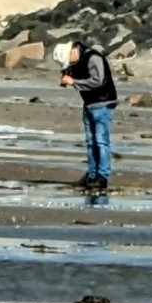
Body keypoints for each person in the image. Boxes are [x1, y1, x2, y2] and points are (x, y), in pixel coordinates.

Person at [62, 36, 119, 192]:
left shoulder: (93, 58)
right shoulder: (77, 61)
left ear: (73, 51)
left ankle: (102, 176)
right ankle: (92, 174)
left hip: (103, 103)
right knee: (90, 141)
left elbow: (97, 81)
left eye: (68, 61)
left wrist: (74, 82)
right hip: (89, 104)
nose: (70, 65)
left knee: (101, 141)